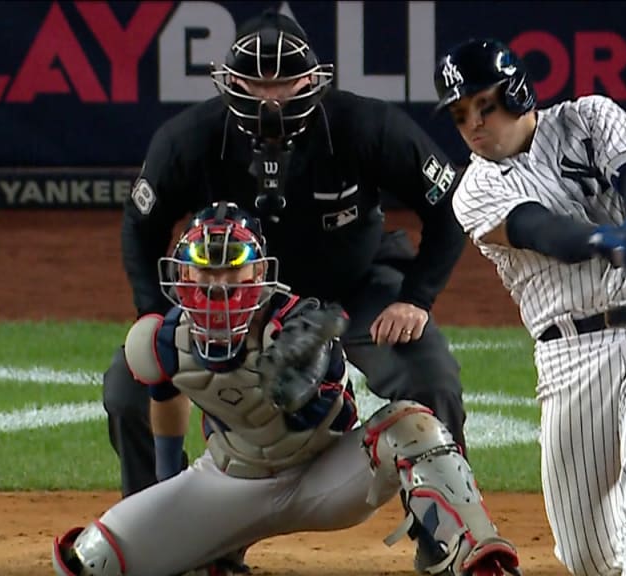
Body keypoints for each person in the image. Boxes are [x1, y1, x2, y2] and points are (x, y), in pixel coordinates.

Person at [104, 8, 469, 501]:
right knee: (128, 387)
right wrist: (153, 314)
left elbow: (449, 206)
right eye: (256, 83)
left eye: (286, 82)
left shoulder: (365, 124)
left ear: (313, 81)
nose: (270, 97)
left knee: (431, 376)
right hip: (231, 302)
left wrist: (416, 299)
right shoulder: (188, 138)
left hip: (353, 291)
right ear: (230, 82)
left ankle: (451, 526)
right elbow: (140, 226)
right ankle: (151, 524)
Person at [53, 202, 522, 576]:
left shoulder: (295, 321)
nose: (218, 286)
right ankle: (218, 552)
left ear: (258, 274)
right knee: (93, 558)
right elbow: (165, 397)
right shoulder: (157, 342)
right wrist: (164, 477)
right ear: (185, 274)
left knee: (412, 426)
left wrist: (310, 362)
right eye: (206, 271)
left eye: (231, 270)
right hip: (230, 485)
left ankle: (474, 554)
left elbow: (325, 332)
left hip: (327, 479)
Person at [434, 39, 626, 576]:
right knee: (585, 554)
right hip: (570, 360)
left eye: (483, 106)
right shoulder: (473, 190)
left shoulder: (590, 116)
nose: (473, 124)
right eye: (460, 114)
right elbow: (539, 229)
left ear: (516, 91)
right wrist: (601, 241)